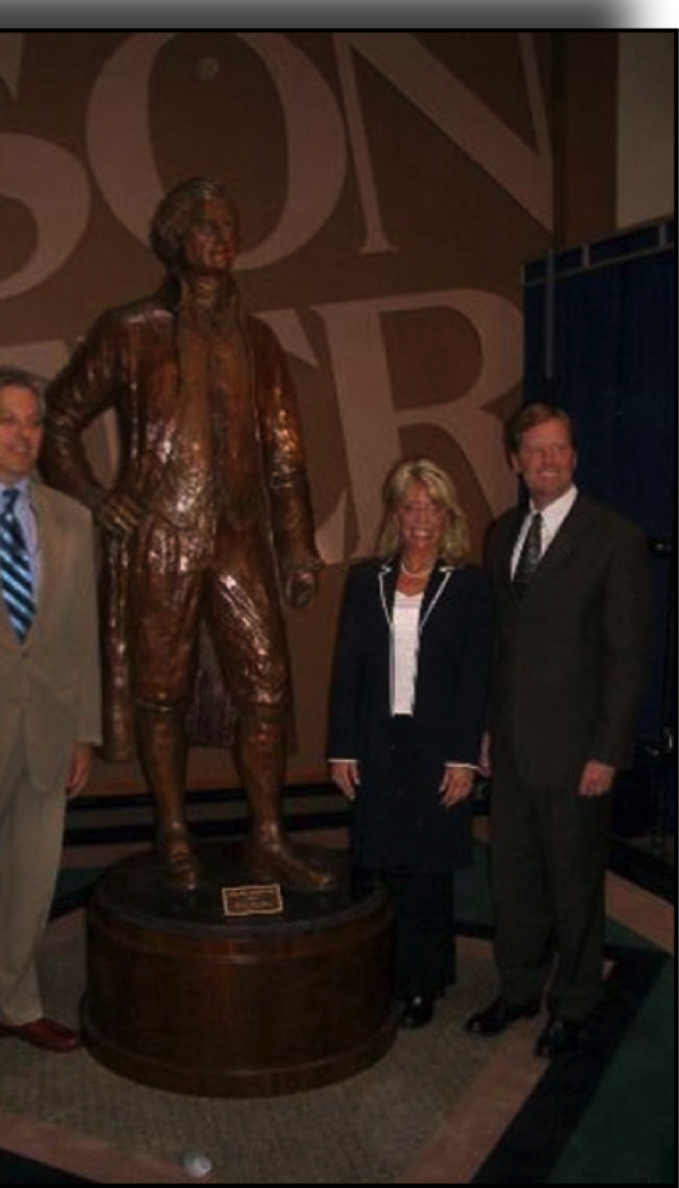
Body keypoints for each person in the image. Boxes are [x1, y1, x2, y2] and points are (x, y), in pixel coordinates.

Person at [39, 176, 333, 893]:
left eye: (230, 225)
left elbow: (285, 453)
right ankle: (173, 833)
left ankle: (268, 836)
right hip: (160, 540)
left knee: (266, 691)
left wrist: (296, 545)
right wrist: (94, 497)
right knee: (160, 693)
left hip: (238, 539)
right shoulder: (130, 329)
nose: (222, 237)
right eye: (206, 226)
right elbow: (59, 421)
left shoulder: (257, 339)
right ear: (175, 240)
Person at [465, 402, 652, 1057]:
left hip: (578, 753)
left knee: (575, 884)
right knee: (512, 877)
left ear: (574, 456)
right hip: (512, 746)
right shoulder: (501, 532)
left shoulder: (614, 537)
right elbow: (501, 647)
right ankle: (517, 989)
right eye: (535, 450)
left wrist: (607, 750)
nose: (548, 460)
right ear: (515, 461)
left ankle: (574, 1001)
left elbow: (628, 657)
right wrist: (488, 729)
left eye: (560, 448)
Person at [0, 367, 102, 1092]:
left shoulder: (71, 520)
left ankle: (12, 1003)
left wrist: (84, 732)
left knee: (27, 883)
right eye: (9, 420)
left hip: (47, 735)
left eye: (35, 422)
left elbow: (80, 636)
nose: (25, 435)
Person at [327, 459, 494, 1027]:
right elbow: (347, 670)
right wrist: (342, 748)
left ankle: (424, 982)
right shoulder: (365, 579)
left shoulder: (468, 585)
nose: (421, 518)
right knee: (377, 860)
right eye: (411, 506)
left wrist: (463, 757)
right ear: (395, 513)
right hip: (379, 742)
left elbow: (476, 678)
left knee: (427, 870)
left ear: (448, 516)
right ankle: (380, 974)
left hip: (437, 745)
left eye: (432, 506)